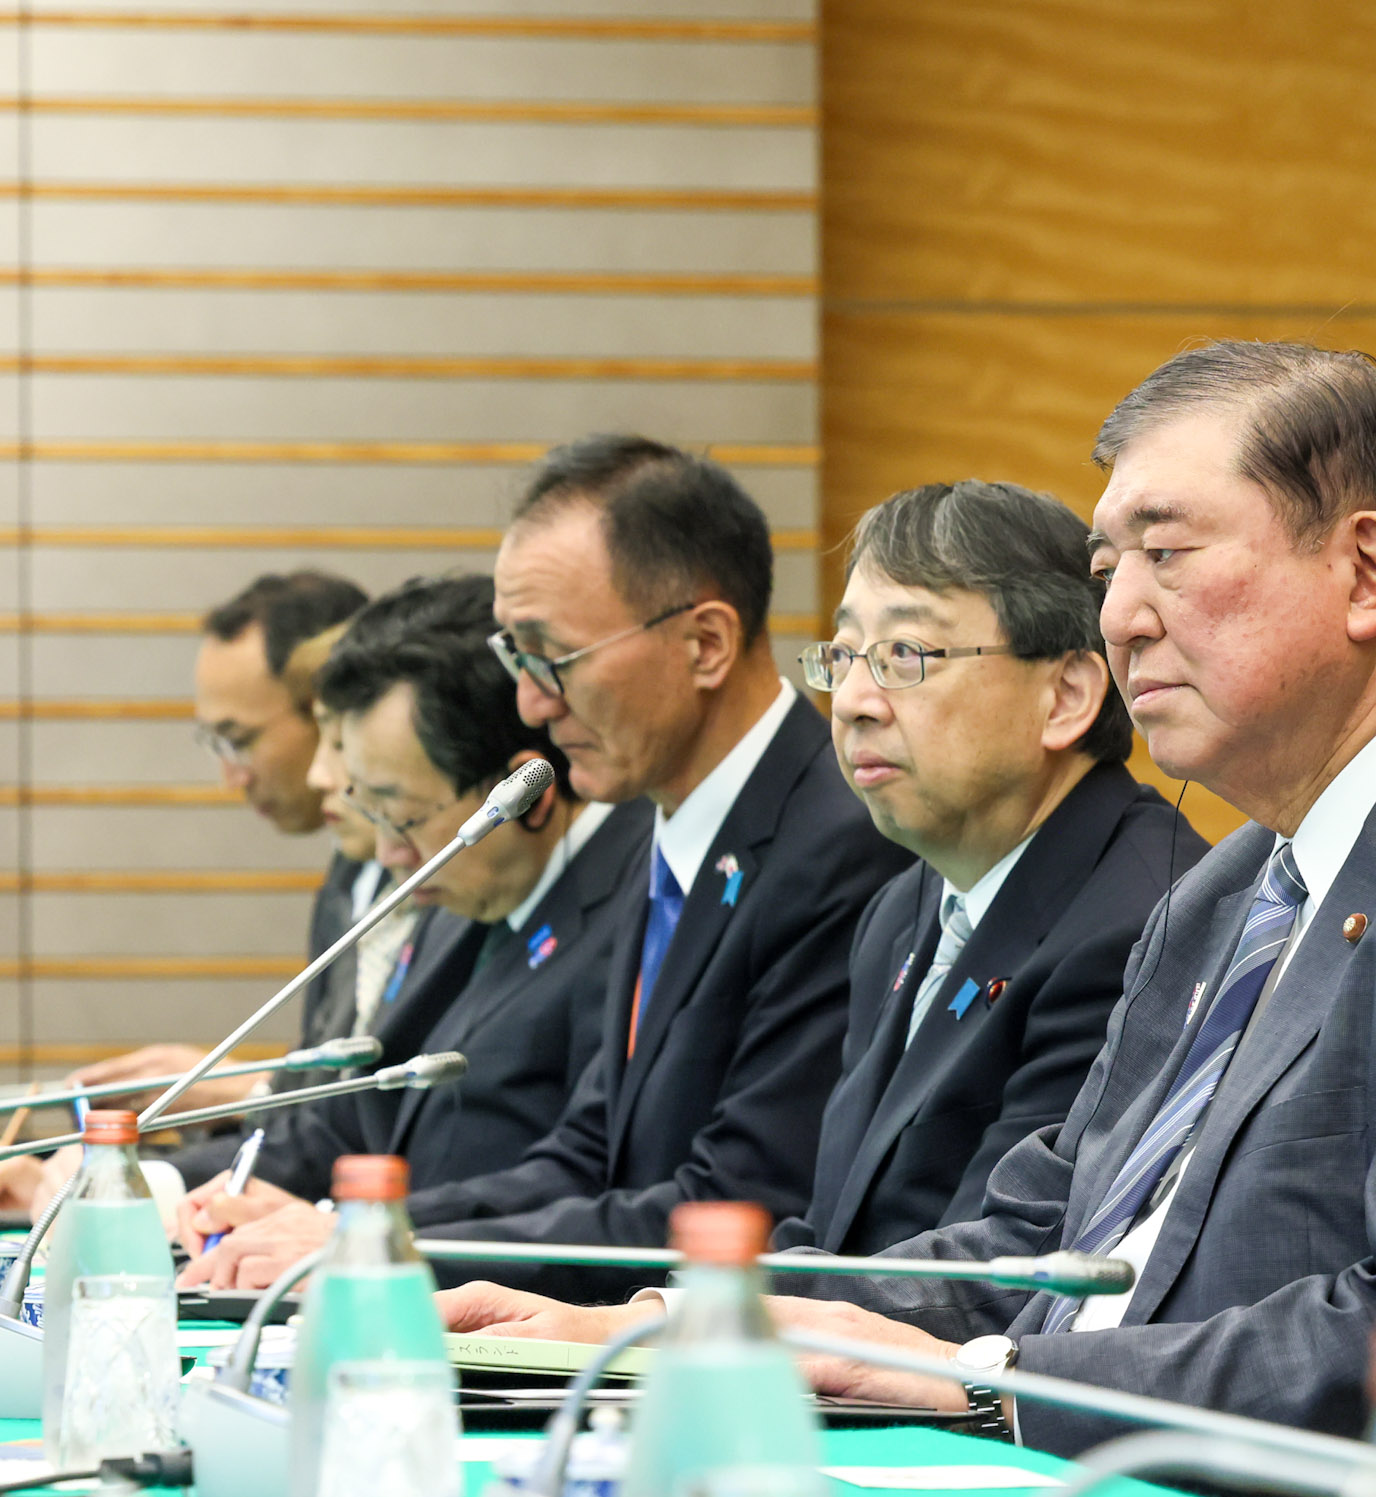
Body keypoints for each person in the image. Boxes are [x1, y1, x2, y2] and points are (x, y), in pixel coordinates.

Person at [441, 342, 1376, 1497]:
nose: (1115, 615)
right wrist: (704, 1316)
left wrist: (993, 1385)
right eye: (1109, 570)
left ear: (1367, 570)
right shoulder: (1232, 890)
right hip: (1133, 1493)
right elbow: (1040, 1233)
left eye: (1166, 556)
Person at [186, 436, 908, 1293]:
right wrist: (353, 1232)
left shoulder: (840, 843)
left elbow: (734, 1204)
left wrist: (383, 1253)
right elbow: (584, 1155)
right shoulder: (658, 825)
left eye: (553, 660)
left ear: (705, 643)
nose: (530, 703)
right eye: (514, 660)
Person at [778, 479, 1206, 1253]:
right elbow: (837, 1231)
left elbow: (997, 1264)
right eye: (843, 656)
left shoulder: (1147, 923)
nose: (852, 702)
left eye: (904, 655)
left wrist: (682, 1322)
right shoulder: (902, 908)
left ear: (1067, 695)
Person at [171, 577, 650, 1241]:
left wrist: (349, 1233)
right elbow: (353, 1111)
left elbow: (585, 1177)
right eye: (377, 815)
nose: (393, 854)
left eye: (404, 817)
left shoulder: (639, 901)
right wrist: (176, 1191)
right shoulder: (455, 885)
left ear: (524, 795)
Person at [62, 572, 377, 1118]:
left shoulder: (447, 876)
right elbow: (332, 1085)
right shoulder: (350, 870)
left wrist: (240, 1090)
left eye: (240, 740)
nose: (231, 777)